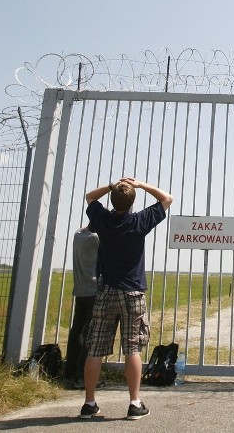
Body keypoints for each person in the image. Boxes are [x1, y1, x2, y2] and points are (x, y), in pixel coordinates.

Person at [79, 178, 173, 420]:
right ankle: (134, 403)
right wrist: (142, 185)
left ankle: (89, 403)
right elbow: (166, 199)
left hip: (106, 290)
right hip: (132, 292)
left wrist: (111, 187)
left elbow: (90, 197)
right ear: (132, 202)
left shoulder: (103, 220)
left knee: (96, 348)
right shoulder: (139, 221)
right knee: (132, 348)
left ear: (112, 200)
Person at [63, 225, 99, 390]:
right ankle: (82, 376)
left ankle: (69, 371)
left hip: (80, 290)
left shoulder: (78, 235)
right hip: (93, 290)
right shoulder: (95, 239)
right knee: (89, 334)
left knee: (77, 330)